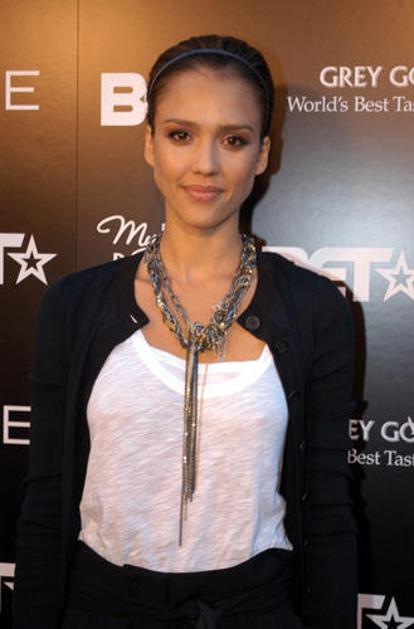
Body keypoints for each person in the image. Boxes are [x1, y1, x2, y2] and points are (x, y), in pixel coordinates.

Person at [13, 34, 358, 629]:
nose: (206, 164)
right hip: (101, 610)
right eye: (181, 134)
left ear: (263, 153)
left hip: (257, 612)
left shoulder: (315, 308)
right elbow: (45, 503)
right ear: (149, 142)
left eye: (233, 139)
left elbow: (328, 510)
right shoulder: (73, 305)